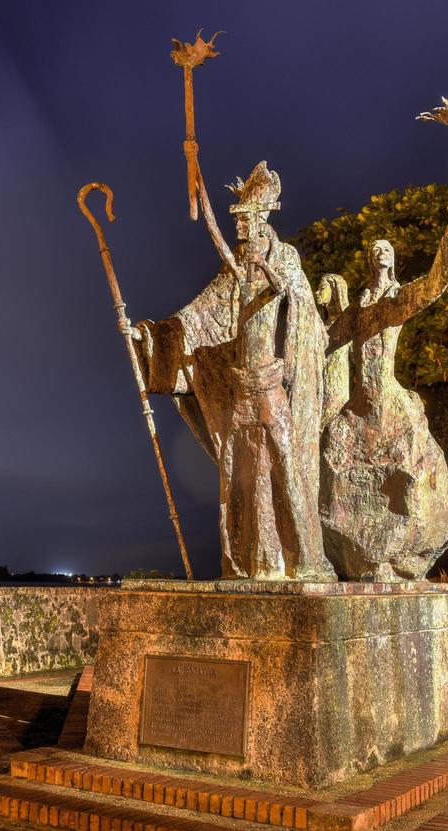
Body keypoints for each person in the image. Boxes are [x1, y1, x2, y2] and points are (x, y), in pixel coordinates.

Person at [129, 163, 335, 581]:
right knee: (235, 472)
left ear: (262, 217)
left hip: (273, 386)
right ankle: (244, 562)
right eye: (235, 219)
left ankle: (306, 559)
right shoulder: (236, 265)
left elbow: (298, 307)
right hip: (241, 388)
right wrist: (153, 338)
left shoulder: (284, 259)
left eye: (243, 218)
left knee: (286, 467)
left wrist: (265, 270)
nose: (238, 226)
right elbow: (204, 310)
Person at [317, 216, 448, 580]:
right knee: (331, 448)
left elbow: (429, 289)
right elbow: (325, 340)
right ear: (370, 261)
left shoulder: (394, 300)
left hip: (389, 395)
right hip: (359, 405)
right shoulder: (359, 308)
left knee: (410, 470)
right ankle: (350, 550)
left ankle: (405, 550)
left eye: (386, 249)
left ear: (392, 260)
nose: (380, 252)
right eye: (375, 250)